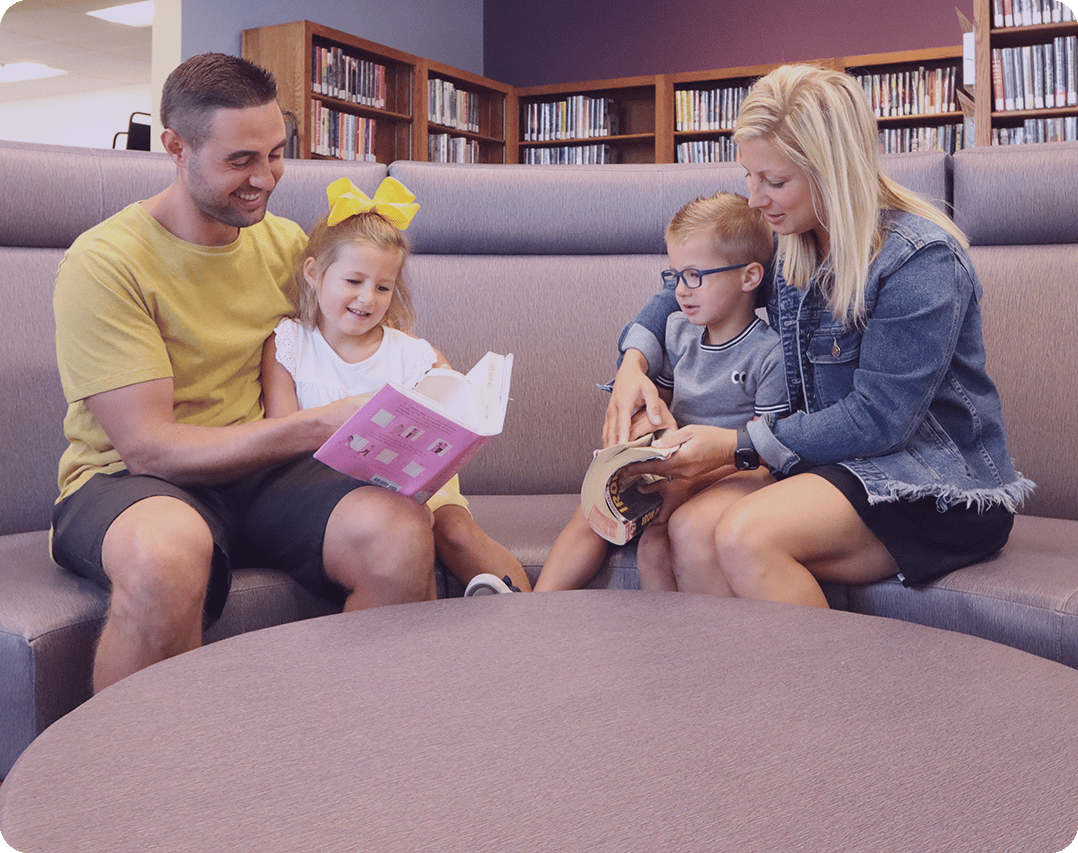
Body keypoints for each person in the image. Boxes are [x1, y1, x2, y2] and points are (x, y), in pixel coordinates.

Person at [51, 54, 435, 694]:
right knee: (164, 558)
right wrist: (315, 425)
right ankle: (134, 783)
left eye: (276, 154)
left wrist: (437, 388)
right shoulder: (104, 263)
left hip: (259, 478)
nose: (265, 178)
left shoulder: (287, 246)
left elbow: (371, 333)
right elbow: (149, 447)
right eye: (240, 162)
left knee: (396, 533)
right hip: (129, 480)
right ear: (175, 147)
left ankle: (353, 747)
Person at [604, 63, 1034, 607]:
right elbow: (691, 284)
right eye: (749, 177)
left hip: (932, 485)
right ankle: (729, 690)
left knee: (744, 535)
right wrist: (633, 364)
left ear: (832, 172)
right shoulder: (793, 245)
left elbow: (879, 419)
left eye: (775, 181)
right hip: (830, 465)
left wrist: (736, 445)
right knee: (690, 530)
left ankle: (827, 695)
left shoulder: (921, 261)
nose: (756, 199)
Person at [261, 176, 532, 596]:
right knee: (402, 531)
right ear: (314, 273)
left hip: (412, 481)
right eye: (353, 281)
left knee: (455, 531)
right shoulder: (291, 343)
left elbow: (454, 411)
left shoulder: (412, 354)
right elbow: (281, 430)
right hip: (325, 488)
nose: (367, 298)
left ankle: (525, 612)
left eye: (382, 287)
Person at [535, 191, 788, 592]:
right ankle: (535, 609)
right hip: (671, 465)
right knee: (618, 528)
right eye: (674, 275)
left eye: (694, 276)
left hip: (734, 471)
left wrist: (691, 478)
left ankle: (690, 642)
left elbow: (768, 451)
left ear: (749, 277)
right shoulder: (675, 333)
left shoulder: (770, 352)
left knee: (664, 542)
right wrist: (634, 441)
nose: (681, 291)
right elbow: (661, 404)